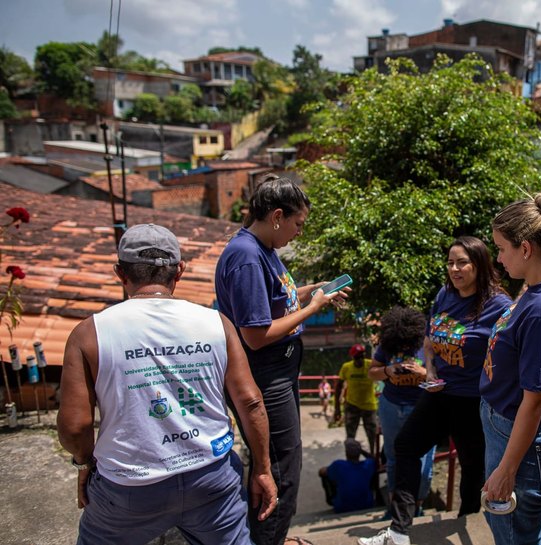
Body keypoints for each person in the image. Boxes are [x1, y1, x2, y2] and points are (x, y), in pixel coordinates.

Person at [57, 223, 278, 545]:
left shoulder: (89, 334)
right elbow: (250, 402)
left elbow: (75, 427)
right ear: (180, 271)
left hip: (129, 488)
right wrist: (261, 469)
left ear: (121, 273)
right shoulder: (217, 324)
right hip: (212, 480)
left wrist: (84, 464)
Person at [215, 175, 346, 545]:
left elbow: (275, 297)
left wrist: (312, 291)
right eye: (298, 224)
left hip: (279, 371)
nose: (299, 233)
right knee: (279, 468)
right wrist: (313, 308)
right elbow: (256, 336)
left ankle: (272, 536)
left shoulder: (263, 249)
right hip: (265, 374)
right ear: (277, 216)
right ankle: (269, 539)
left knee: (282, 462)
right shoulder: (246, 256)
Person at [359, 236, 512, 545]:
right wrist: (429, 369)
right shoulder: (445, 295)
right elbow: (429, 340)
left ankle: (469, 520)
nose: (454, 269)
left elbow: (517, 344)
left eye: (462, 263)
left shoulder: (499, 304)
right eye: (451, 262)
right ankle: (400, 529)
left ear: (479, 265)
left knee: (472, 466)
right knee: (405, 447)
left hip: (473, 400)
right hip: (438, 392)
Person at [480, 181, 541, 545]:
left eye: (502, 249)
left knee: (515, 535)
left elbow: (536, 400)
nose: (499, 258)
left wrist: (507, 469)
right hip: (506, 429)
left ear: (525, 248)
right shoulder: (537, 289)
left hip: (520, 444)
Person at [364, 307, 435, 529]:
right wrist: (389, 370)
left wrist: (423, 373)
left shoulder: (427, 345)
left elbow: (443, 375)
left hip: (422, 407)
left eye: (408, 343)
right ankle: (394, 507)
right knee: (393, 458)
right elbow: (372, 372)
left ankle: (418, 505)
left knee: (424, 461)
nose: (404, 347)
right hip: (392, 406)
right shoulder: (386, 347)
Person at [334, 344, 379, 455]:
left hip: (369, 406)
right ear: (352, 357)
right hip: (352, 406)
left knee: (372, 435)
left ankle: (373, 458)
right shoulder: (347, 367)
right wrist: (337, 409)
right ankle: (351, 459)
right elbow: (338, 387)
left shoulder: (370, 365)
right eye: (357, 357)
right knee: (350, 436)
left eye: (362, 356)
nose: (360, 360)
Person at [319, 438, 377, 514]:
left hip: (342, 507)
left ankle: (332, 498)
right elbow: (374, 459)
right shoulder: (368, 464)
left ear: (346, 453)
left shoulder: (339, 465)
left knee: (326, 475)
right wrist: (361, 451)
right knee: (373, 471)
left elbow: (321, 472)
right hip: (366, 504)